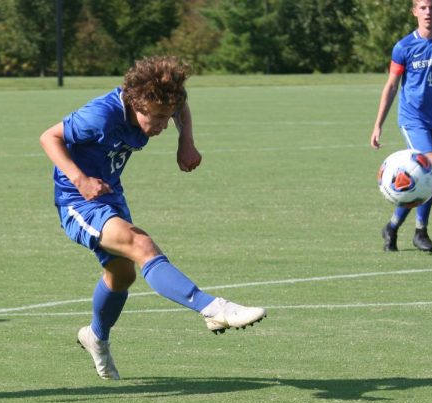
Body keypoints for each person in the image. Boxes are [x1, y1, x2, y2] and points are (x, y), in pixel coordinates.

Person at [39, 56, 266, 380]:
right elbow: (49, 137)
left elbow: (180, 107)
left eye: (166, 116)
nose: (161, 124)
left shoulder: (163, 104)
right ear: (135, 102)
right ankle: (214, 309)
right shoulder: (100, 115)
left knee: (122, 275)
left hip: (110, 193)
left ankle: (96, 336)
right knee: (141, 244)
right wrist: (80, 179)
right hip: (77, 199)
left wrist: (184, 141)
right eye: (156, 118)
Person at [370, 0, 432, 253]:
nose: (428, 12)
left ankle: (392, 227)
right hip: (412, 120)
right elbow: (391, 85)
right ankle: (420, 231)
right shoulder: (404, 46)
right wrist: (378, 124)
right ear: (414, 11)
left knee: (418, 179)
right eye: (422, 7)